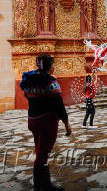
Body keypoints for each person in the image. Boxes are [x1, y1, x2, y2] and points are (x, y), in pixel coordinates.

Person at [20, 54, 72, 191]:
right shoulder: (50, 82)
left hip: (33, 120)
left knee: (40, 151)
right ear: (50, 67)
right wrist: (67, 123)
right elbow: (59, 104)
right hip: (46, 123)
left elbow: (26, 95)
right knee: (43, 155)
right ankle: (41, 186)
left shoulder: (29, 80)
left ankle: (45, 184)